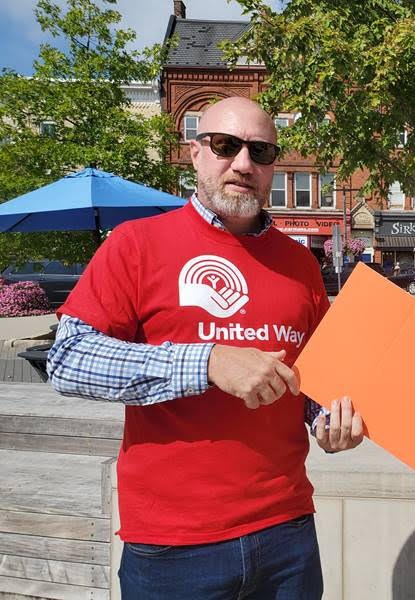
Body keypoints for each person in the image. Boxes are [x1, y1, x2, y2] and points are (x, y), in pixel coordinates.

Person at [47, 97, 363, 599]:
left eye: (260, 151)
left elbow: (312, 379)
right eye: (225, 145)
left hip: (287, 530)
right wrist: (208, 360)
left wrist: (329, 419)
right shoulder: (136, 243)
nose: (243, 163)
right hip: (174, 544)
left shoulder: (300, 263)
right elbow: (68, 361)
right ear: (196, 152)